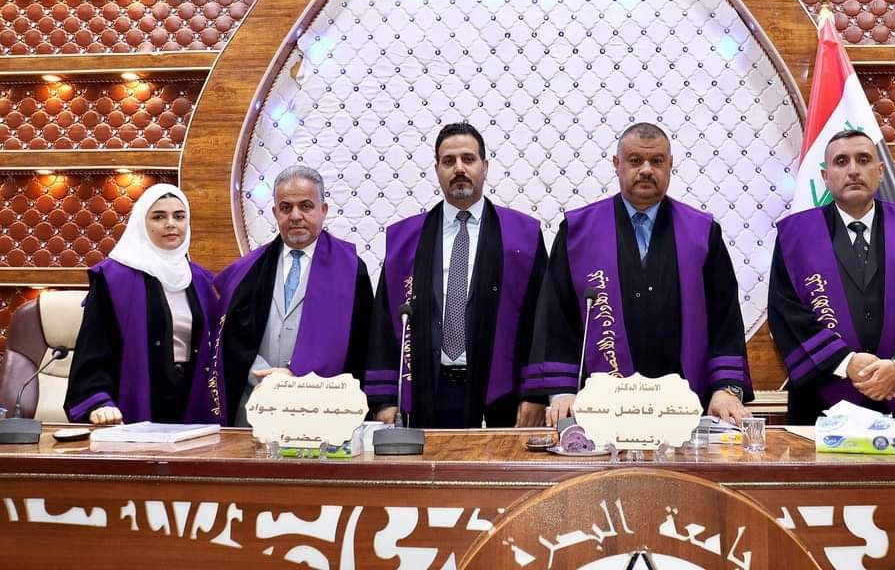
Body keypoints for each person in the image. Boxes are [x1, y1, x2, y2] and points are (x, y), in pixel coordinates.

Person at [523, 122, 753, 426]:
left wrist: (726, 389)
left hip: (684, 411)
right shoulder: (578, 232)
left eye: (656, 161)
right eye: (635, 160)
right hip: (598, 413)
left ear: (670, 165)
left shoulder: (702, 232)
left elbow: (725, 319)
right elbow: (556, 318)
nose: (646, 170)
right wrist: (561, 392)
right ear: (617, 164)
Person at [366, 123, 548, 428]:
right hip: (426, 389)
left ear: (485, 167)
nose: (459, 168)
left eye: (468, 159)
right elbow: (384, 323)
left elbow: (542, 320)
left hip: (501, 394)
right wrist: (385, 399)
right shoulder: (405, 240)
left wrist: (536, 393)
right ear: (437, 169)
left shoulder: (523, 236)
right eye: (449, 161)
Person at [769, 129, 895, 425]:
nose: (853, 170)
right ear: (825, 176)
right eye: (841, 161)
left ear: (880, 171)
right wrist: (846, 363)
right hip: (822, 402)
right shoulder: (795, 237)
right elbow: (786, 313)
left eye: (863, 159)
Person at [215, 165, 374, 426]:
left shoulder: (351, 269)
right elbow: (228, 336)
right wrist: (266, 377)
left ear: (323, 210)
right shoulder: (248, 270)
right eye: (286, 208)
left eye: (306, 206)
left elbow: (362, 344)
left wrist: (298, 376)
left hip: (322, 409)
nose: (296, 216)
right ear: (275, 213)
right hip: (257, 404)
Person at [65, 184, 224, 425]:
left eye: (179, 216)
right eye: (159, 217)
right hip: (135, 400)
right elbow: (95, 346)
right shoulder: (114, 278)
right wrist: (98, 402)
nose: (170, 224)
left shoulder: (201, 280)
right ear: (141, 223)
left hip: (190, 399)